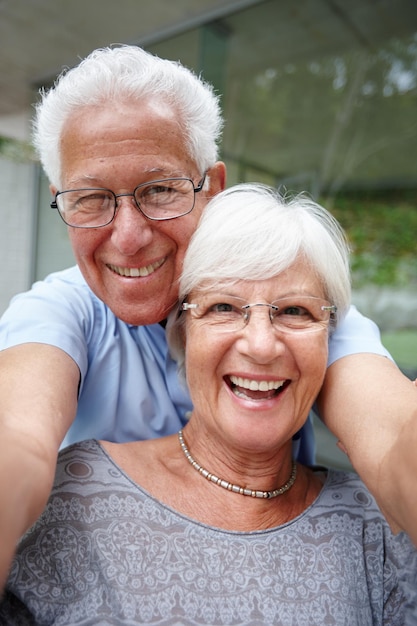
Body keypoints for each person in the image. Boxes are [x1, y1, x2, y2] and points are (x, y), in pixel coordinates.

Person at [0, 45, 416, 591]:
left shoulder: (298, 313)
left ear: (211, 189)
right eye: (91, 198)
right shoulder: (58, 312)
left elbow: (391, 440)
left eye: (159, 190)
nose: (128, 237)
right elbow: (17, 438)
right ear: (62, 203)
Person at [0, 184, 414, 625]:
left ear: (330, 343)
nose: (260, 345)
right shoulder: (73, 496)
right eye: (223, 307)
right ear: (183, 334)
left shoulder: (378, 527)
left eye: (294, 311)